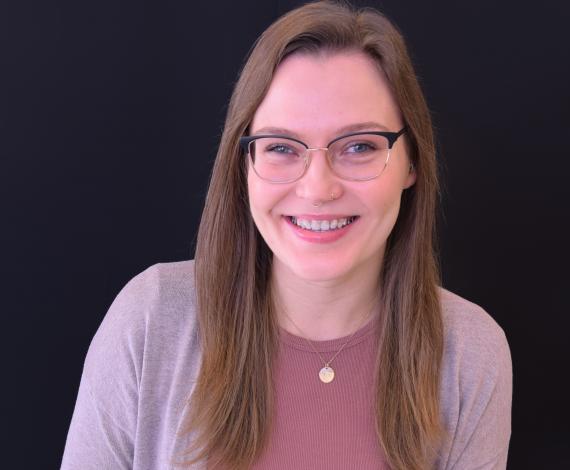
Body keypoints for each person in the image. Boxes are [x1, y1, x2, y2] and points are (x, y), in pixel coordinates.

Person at [61, 1, 512, 469]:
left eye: (359, 146)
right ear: (244, 167)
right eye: (280, 147)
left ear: (412, 161)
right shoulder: (152, 320)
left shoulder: (470, 352)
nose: (318, 188)